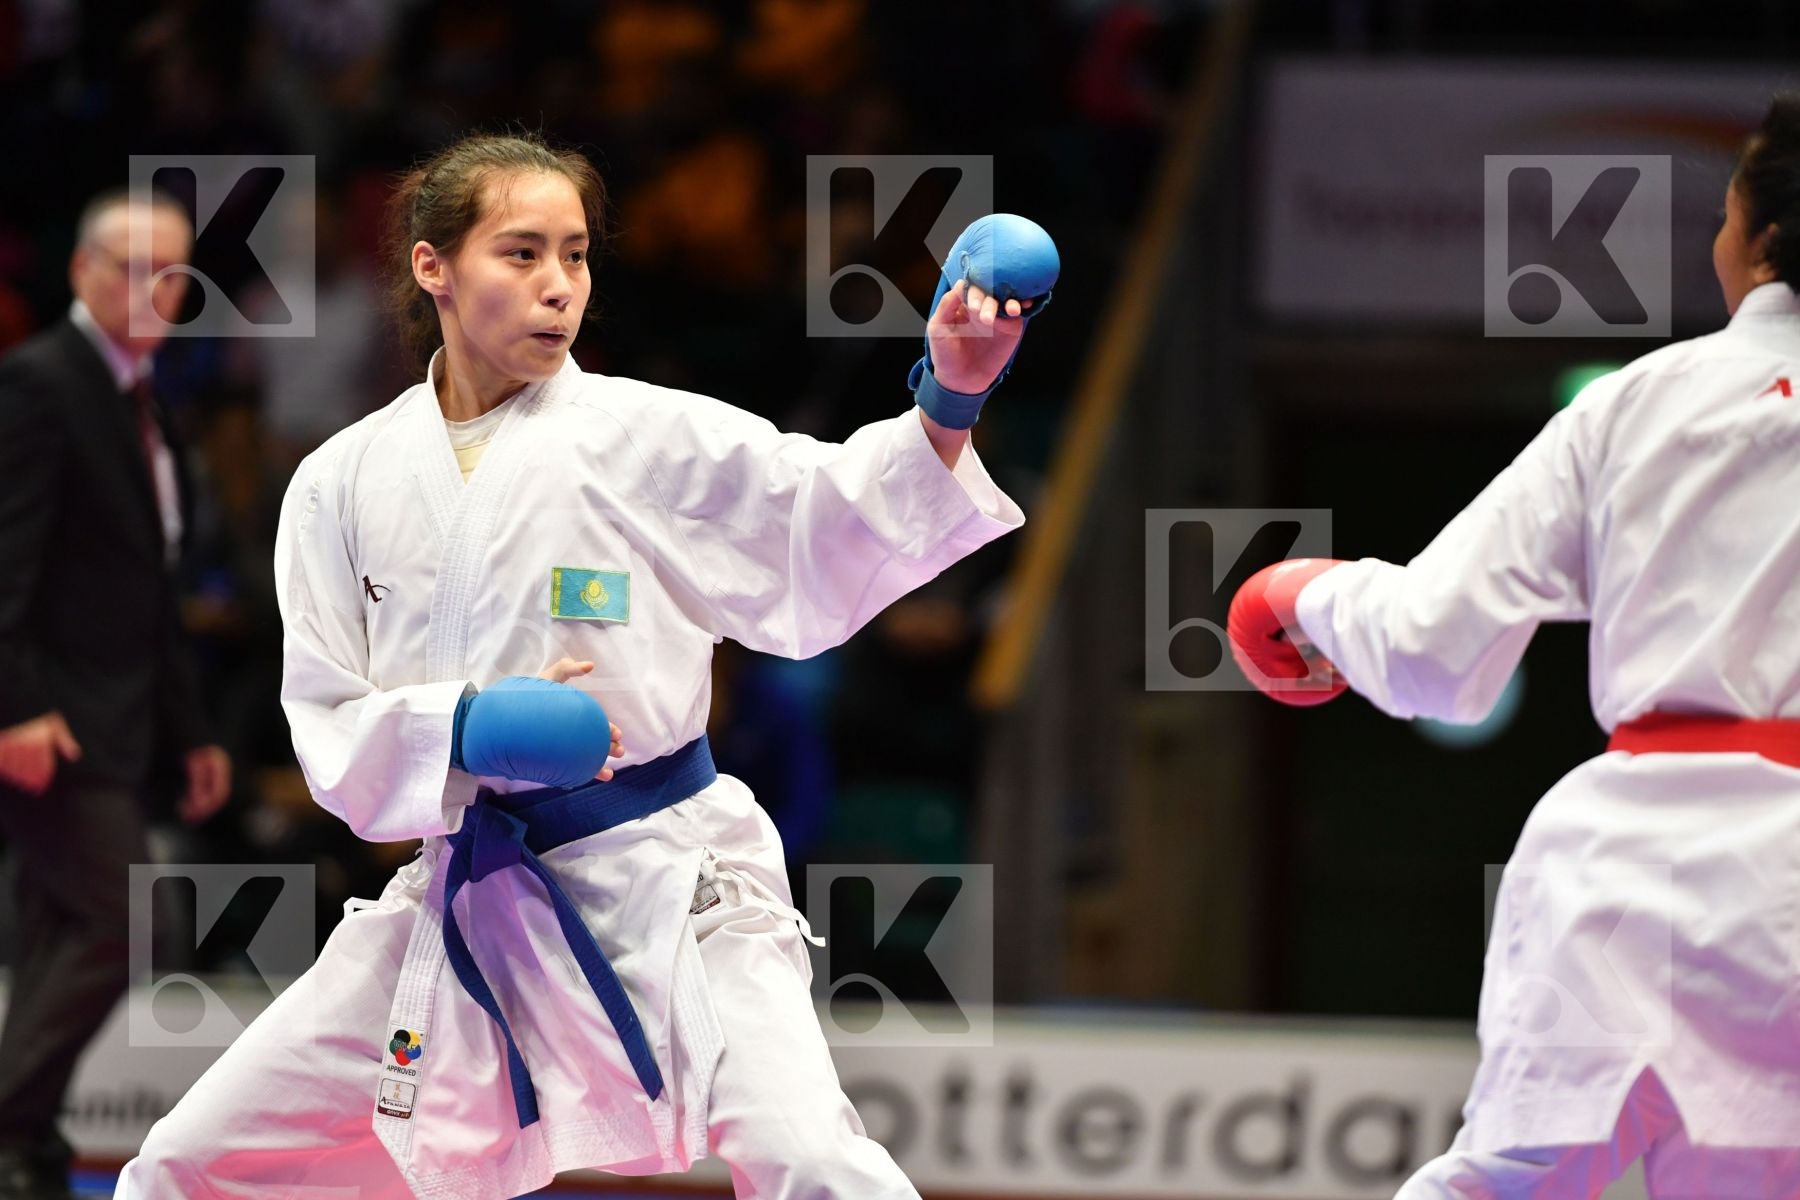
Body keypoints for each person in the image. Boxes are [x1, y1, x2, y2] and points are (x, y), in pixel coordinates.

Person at [117, 132, 1045, 1198]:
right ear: (435, 267)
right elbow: (328, 728)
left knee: (811, 1159)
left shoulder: (639, 436)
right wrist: (463, 729)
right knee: (189, 1166)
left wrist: (950, 401)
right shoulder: (340, 481)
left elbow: (822, 519)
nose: (559, 287)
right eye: (522, 255)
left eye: (576, 255)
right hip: (465, 896)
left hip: (668, 885)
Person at [1228, 95, 1800, 1198]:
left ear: (1758, 233)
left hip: (1633, 868)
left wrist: (1308, 594)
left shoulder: (1642, 405)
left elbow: (1440, 650)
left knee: (1505, 1186)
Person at [0, 189, 232, 1200]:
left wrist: (192, 733)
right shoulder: (40, 384)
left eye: (174, 272)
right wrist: (12, 707)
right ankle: (9, 1125)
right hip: (49, 716)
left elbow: (149, 592)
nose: (156, 288)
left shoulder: (146, 400)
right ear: (83, 273)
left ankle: (27, 1149)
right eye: (135, 268)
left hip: (120, 717)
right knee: (119, 923)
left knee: (62, 928)